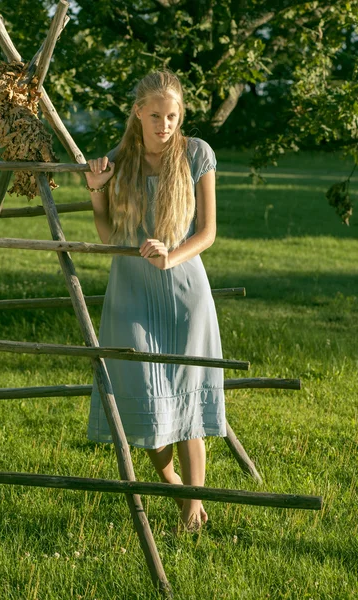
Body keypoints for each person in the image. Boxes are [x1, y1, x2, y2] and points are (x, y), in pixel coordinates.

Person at [85, 70, 226, 532]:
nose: (165, 125)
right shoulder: (118, 161)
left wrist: (171, 257)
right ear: (138, 114)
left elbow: (207, 232)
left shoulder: (195, 154)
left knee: (187, 402)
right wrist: (96, 193)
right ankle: (175, 488)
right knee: (143, 404)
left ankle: (191, 507)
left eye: (172, 116)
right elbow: (109, 235)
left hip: (185, 291)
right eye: (156, 116)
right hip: (131, 293)